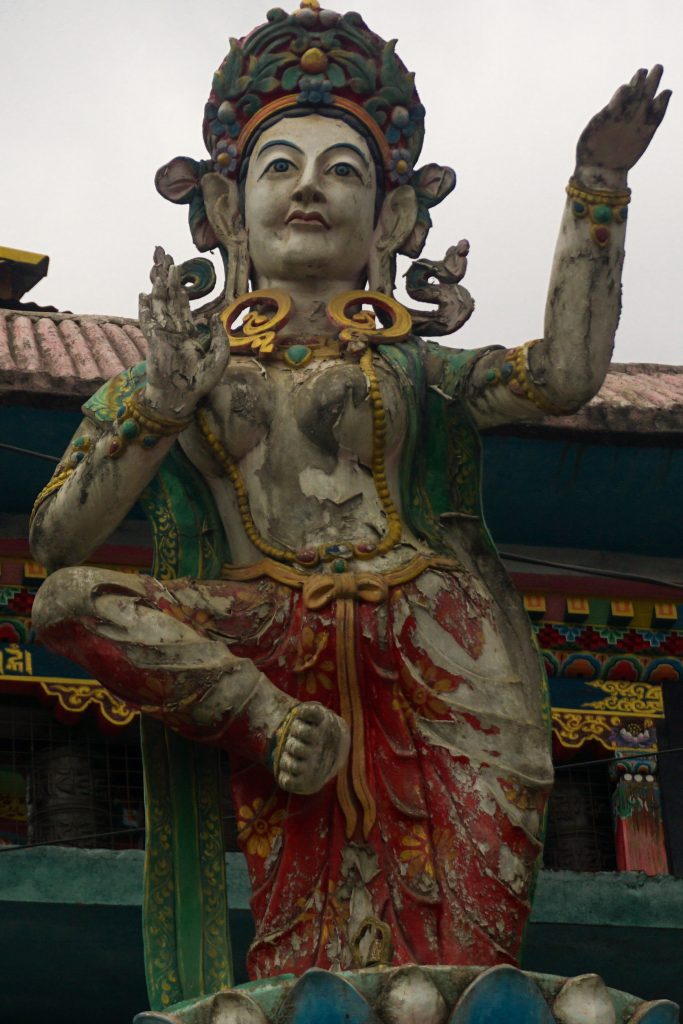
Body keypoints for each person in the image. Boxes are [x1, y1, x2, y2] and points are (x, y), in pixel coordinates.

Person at [29, 1, 669, 982]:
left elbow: (563, 375)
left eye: (344, 170)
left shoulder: (423, 371)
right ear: (222, 204)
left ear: (394, 215)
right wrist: (157, 409)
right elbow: (56, 544)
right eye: (279, 166)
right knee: (70, 604)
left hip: (439, 645)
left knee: (460, 974)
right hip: (269, 644)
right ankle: (264, 718)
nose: (309, 190)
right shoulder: (178, 371)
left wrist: (597, 189)